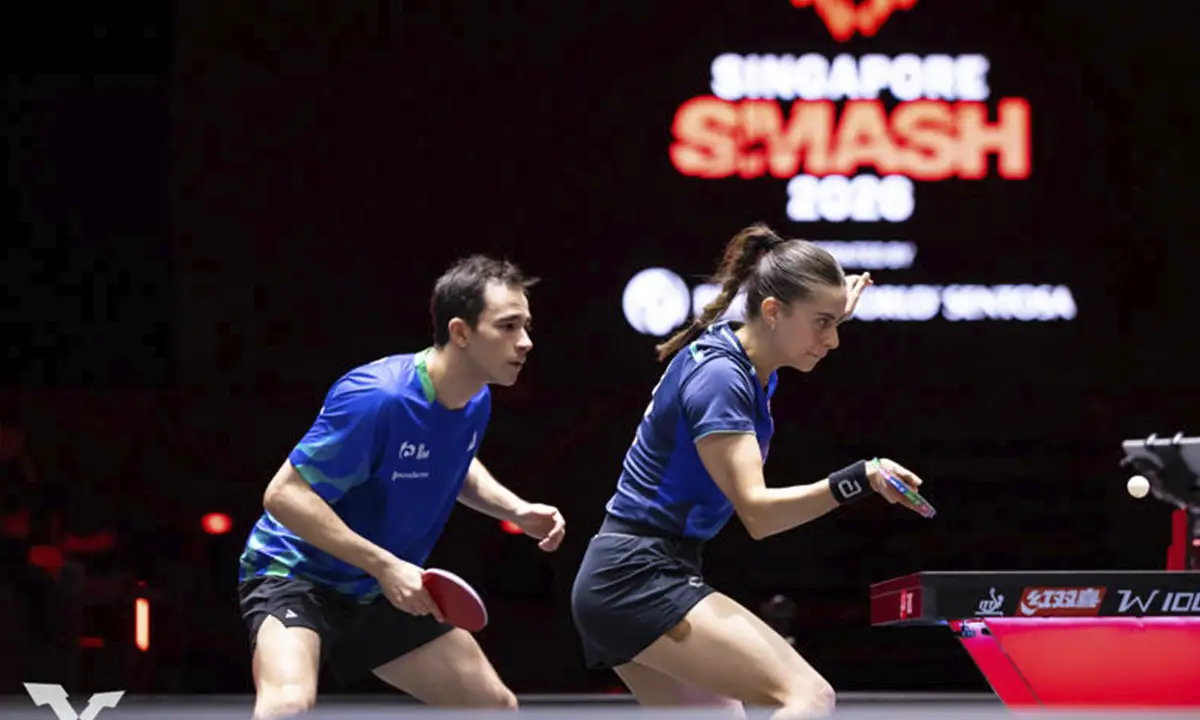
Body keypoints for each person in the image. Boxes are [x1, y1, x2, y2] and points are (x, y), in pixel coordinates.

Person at [570, 224, 928, 719]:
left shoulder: (745, 355)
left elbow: (796, 317)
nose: (833, 340)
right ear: (773, 311)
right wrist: (858, 479)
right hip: (637, 576)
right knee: (809, 696)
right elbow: (759, 514)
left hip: (630, 573)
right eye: (823, 323)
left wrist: (829, 308)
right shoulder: (721, 380)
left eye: (837, 322)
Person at [238, 255, 566, 719]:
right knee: (288, 704)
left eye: (526, 326)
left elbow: (453, 462)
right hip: (297, 574)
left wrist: (515, 510)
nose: (526, 341)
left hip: (378, 586)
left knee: (492, 707)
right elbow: (284, 496)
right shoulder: (378, 399)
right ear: (461, 332)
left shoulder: (475, 400)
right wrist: (386, 565)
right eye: (508, 326)